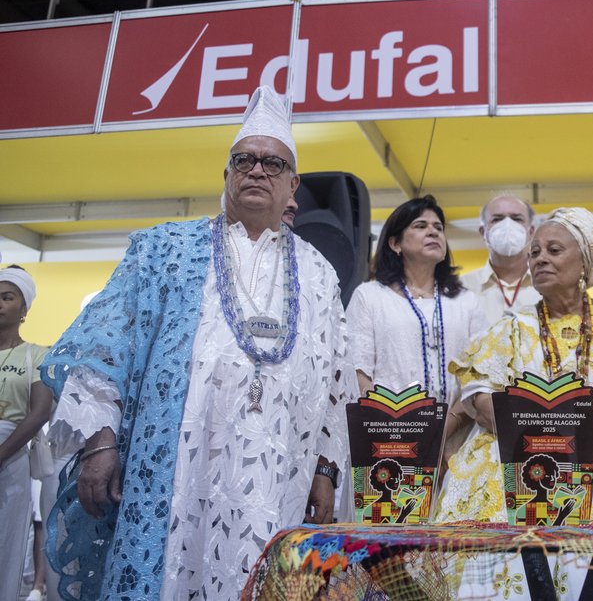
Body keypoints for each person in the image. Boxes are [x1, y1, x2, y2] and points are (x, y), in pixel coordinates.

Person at [41, 86, 354, 600]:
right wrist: (100, 444)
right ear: (226, 174)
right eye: (244, 160)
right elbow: (102, 351)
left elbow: (337, 384)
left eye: (272, 164)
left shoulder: (320, 273)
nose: (257, 171)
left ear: (293, 184)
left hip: (281, 473)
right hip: (176, 468)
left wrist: (324, 470)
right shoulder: (164, 248)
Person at [436, 207, 593, 524]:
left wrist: (592, 432)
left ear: (585, 261)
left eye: (554, 250)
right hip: (524, 450)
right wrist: (538, 437)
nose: (540, 259)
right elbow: (480, 395)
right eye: (535, 252)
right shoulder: (512, 327)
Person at [346, 195, 485, 443]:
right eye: (421, 226)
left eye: (438, 228)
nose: (433, 232)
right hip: (388, 438)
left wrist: (446, 427)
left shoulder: (466, 301)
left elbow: (479, 376)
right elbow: (357, 371)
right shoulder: (370, 296)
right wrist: (396, 425)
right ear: (395, 243)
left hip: (458, 442)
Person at [0, 267, 51, 601]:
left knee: (7, 539)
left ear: (24, 309)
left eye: (7, 297)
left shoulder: (36, 354)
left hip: (12, 453)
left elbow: (40, 411)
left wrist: (2, 452)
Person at [461, 195, 540, 326]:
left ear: (531, 232)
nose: (507, 225)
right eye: (497, 219)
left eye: (517, 219)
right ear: (483, 232)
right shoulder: (462, 287)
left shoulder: (551, 285)